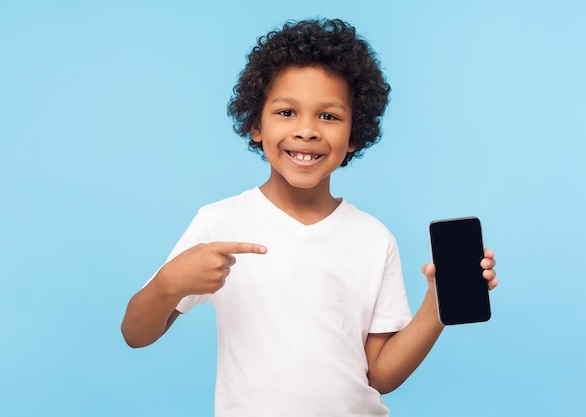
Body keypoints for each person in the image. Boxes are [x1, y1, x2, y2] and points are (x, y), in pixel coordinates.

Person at [121, 18, 498, 417]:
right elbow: (135, 334)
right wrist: (169, 284)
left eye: (329, 116)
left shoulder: (373, 238)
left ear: (354, 135)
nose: (306, 131)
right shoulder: (220, 222)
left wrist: (436, 306)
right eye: (286, 112)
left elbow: (380, 375)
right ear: (255, 125)